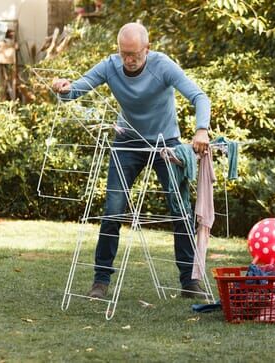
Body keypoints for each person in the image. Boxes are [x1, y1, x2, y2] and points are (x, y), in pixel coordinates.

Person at [52, 22, 210, 299]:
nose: (129, 60)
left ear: (147, 49)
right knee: (113, 210)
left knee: (180, 209)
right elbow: (75, 91)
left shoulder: (162, 65)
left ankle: (189, 281)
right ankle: (100, 282)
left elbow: (199, 96)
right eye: (124, 53)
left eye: (134, 54)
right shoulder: (110, 66)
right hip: (127, 142)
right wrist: (63, 88)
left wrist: (201, 129)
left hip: (165, 143)